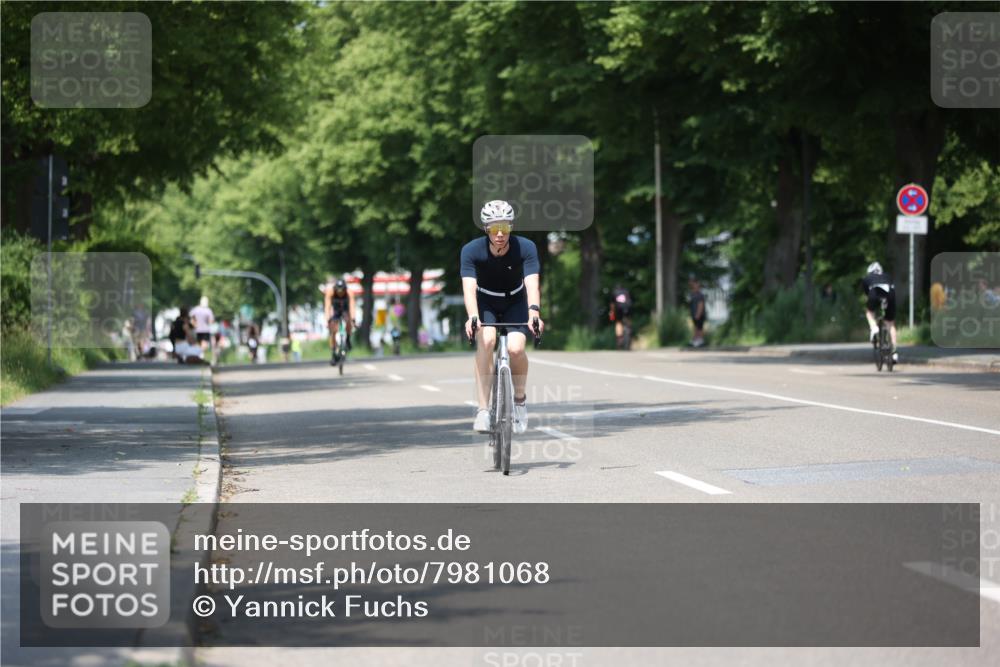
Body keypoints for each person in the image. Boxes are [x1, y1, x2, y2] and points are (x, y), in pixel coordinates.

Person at [461, 200, 544, 434]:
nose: (500, 234)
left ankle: (519, 401)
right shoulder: (471, 250)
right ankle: (483, 410)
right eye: (495, 228)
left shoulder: (526, 247)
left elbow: (531, 283)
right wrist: (472, 317)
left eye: (505, 228)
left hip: (515, 300)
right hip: (485, 300)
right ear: (486, 228)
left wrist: (534, 312)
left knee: (516, 348)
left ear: (511, 227)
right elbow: (469, 288)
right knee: (486, 340)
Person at [862, 261, 898, 363]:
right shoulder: (887, 276)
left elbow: (867, 294)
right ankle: (894, 353)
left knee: (869, 312)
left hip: (875, 293)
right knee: (890, 323)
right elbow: (893, 287)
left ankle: (874, 328)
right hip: (890, 295)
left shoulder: (867, 278)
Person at [324, 277, 356, 364]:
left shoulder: (349, 293)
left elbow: (352, 306)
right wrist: (327, 319)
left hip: (346, 309)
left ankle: (348, 339)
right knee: (333, 330)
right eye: (338, 290)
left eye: (342, 290)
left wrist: (353, 318)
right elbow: (327, 307)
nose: (340, 292)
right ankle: (334, 352)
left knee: (349, 321)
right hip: (336, 310)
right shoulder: (330, 292)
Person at [189, 296, 215, 360]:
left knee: (198, 343)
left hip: (197, 329)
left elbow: (190, 318)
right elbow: (211, 321)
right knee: (204, 343)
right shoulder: (208, 310)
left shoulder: (195, 309)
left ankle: (199, 354)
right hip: (205, 329)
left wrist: (194, 324)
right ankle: (201, 354)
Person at [608, 284, 633, 350]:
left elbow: (612, 305)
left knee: (618, 322)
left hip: (618, 309)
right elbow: (630, 300)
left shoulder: (614, 292)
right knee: (628, 319)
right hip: (628, 308)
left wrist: (612, 312)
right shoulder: (626, 291)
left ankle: (619, 338)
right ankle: (629, 330)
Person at [689, 278, 706, 347]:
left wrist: (698, 314)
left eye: (694, 284)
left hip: (699, 314)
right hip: (694, 314)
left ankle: (700, 340)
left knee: (699, 327)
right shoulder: (692, 294)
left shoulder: (700, 295)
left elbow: (701, 305)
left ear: (697, 284)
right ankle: (695, 340)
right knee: (696, 327)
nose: (693, 285)